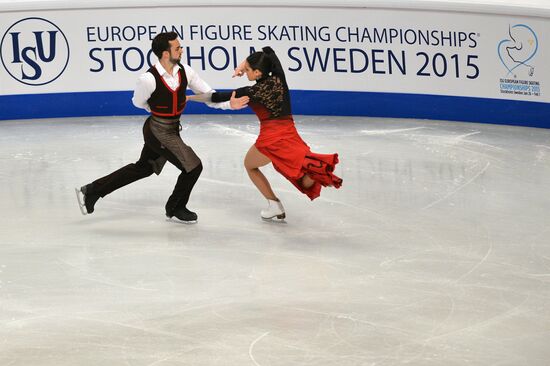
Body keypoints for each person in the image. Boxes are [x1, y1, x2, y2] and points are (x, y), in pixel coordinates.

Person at [75, 32, 249, 223]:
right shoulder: (148, 79)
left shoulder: (186, 72)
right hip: (157, 131)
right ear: (166, 54)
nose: (181, 50)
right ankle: (175, 207)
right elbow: (138, 102)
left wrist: (228, 104)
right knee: (193, 166)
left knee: (143, 168)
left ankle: (92, 190)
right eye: (177, 48)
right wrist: (156, 107)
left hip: (171, 129)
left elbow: (209, 95)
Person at [187, 47, 342, 221]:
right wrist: (243, 64)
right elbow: (269, 51)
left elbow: (215, 97)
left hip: (271, 138)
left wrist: (189, 98)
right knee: (299, 173)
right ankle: (313, 172)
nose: (245, 73)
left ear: (258, 72)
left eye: (247, 71)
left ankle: (274, 204)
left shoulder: (251, 92)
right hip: (290, 133)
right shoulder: (279, 78)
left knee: (250, 165)